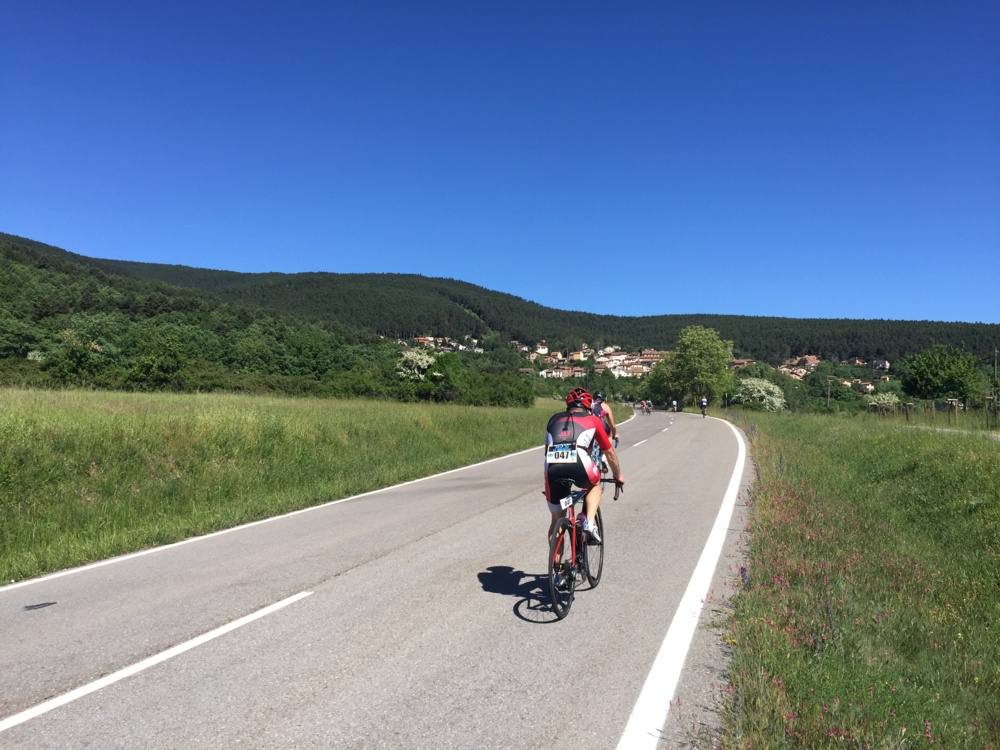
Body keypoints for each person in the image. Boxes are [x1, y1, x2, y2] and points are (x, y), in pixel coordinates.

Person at [544, 387, 624, 545]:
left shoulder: (553, 420)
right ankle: (589, 522)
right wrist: (617, 475)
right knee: (595, 485)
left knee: (556, 520)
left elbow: (546, 450)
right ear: (589, 406)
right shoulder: (593, 420)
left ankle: (557, 567)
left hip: (553, 468)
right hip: (580, 464)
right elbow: (610, 453)